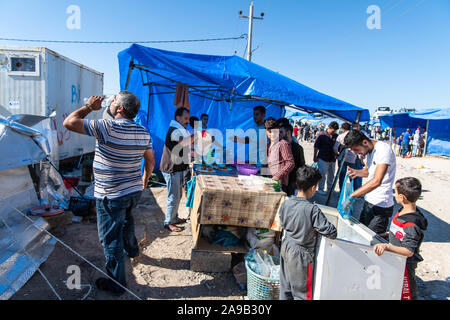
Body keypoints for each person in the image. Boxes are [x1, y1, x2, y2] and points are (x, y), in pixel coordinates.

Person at [63, 92, 155, 295]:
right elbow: (150, 160)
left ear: (120, 108)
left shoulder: (106, 127)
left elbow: (69, 122)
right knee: (127, 221)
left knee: (111, 240)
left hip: (111, 195)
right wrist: (144, 180)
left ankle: (117, 284)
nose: (110, 103)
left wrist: (88, 107)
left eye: (113, 100)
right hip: (132, 191)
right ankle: (132, 250)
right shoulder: (143, 132)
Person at [278, 165, 337, 300]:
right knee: (302, 294)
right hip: (302, 255)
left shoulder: (286, 203)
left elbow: (282, 221)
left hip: (286, 246)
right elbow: (331, 232)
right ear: (313, 188)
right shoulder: (312, 210)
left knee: (285, 289)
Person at [373, 177, 428, 300]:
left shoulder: (411, 224)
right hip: (395, 258)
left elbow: (409, 251)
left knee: (407, 292)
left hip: (405, 264)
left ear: (402, 197)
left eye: (396, 192)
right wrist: (388, 234)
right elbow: (400, 233)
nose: (395, 195)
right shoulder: (403, 211)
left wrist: (387, 246)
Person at [343, 130, 397, 234]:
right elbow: (369, 172)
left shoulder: (383, 150)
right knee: (362, 233)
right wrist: (357, 172)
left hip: (381, 205)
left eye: (356, 149)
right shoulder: (368, 151)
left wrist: (352, 195)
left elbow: (377, 180)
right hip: (369, 201)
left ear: (365, 142)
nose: (356, 153)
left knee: (372, 239)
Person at [160, 107, 192, 232]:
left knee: (177, 195)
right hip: (171, 168)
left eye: (188, 119)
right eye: (185, 118)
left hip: (177, 168)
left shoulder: (180, 129)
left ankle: (174, 217)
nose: (187, 121)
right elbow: (183, 143)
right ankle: (168, 222)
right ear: (177, 118)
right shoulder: (174, 130)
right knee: (173, 196)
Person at [265, 118, 295, 193]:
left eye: (274, 131)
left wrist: (277, 176)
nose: (272, 134)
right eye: (269, 132)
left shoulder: (283, 144)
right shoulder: (268, 145)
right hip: (270, 179)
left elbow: (290, 163)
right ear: (266, 131)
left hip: (280, 183)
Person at [278, 121, 305, 196]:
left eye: (281, 132)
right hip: (280, 179)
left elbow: (301, 166)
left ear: (288, 133)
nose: (279, 135)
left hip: (291, 181)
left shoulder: (298, 148)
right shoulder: (279, 145)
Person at [313, 121, 339, 195]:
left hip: (332, 158)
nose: (334, 132)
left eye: (335, 131)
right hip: (322, 157)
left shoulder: (336, 136)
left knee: (331, 174)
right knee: (322, 174)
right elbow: (316, 146)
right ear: (329, 128)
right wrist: (314, 156)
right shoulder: (321, 134)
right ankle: (321, 188)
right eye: (333, 130)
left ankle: (329, 189)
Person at [334, 123, 361, 192]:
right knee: (353, 175)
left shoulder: (340, 136)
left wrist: (337, 154)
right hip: (353, 158)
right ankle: (355, 191)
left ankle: (341, 190)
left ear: (343, 129)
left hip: (342, 158)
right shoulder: (355, 136)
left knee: (342, 175)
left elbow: (335, 148)